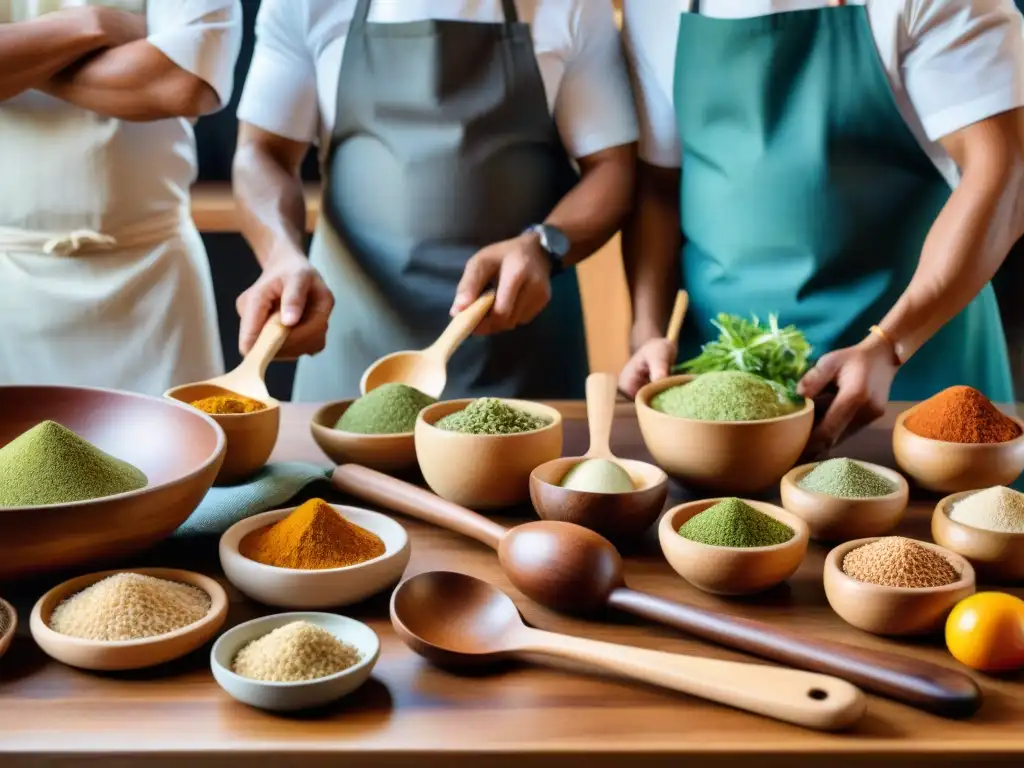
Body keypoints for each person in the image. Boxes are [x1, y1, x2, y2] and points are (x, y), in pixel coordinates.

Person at [619, 0, 1024, 456]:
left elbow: (1006, 177)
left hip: (915, 363)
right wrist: (647, 329)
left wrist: (891, 346)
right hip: (721, 379)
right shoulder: (652, 7)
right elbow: (657, 184)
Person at [232, 0, 637, 401]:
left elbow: (613, 167)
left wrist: (545, 244)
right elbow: (262, 152)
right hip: (350, 352)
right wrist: (281, 255)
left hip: (523, 364)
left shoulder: (573, 5)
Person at [0, 1, 242, 396]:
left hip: (154, 284)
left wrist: (19, 60)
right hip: (8, 288)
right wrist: (91, 24)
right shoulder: (93, 25)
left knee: (182, 454)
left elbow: (182, 82)